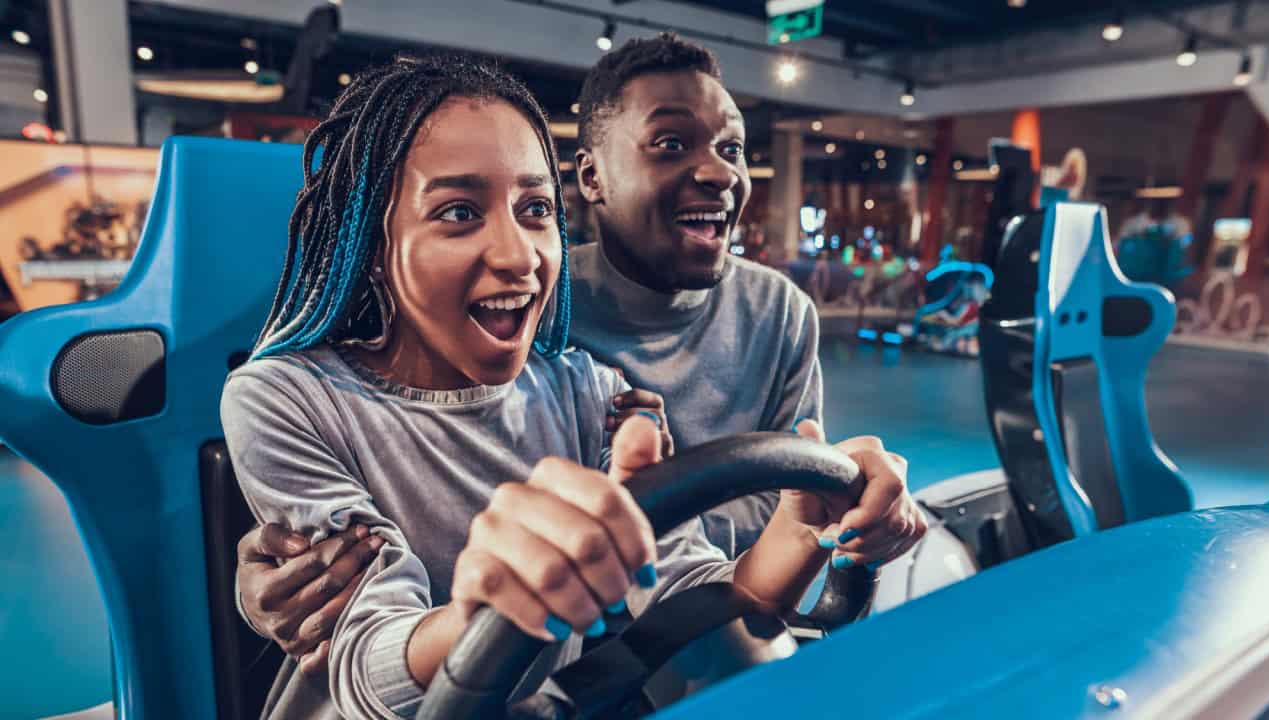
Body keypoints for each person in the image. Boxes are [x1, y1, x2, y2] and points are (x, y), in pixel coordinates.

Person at [224, 53, 918, 719]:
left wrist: (804, 528)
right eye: (460, 212)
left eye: (534, 211)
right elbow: (360, 658)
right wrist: (479, 616)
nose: (519, 254)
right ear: (372, 245)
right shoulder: (288, 397)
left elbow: (690, 594)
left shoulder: (590, 389)